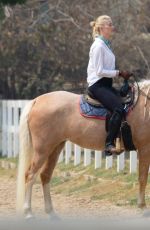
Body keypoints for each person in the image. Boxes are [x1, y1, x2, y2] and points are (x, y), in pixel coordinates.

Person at [87, 15, 132, 154]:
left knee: (125, 98)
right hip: (97, 85)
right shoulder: (98, 46)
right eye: (109, 25)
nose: (113, 27)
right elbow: (99, 71)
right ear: (101, 28)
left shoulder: (106, 44)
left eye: (112, 24)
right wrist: (119, 73)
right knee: (118, 108)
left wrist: (121, 75)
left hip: (105, 84)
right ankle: (109, 144)